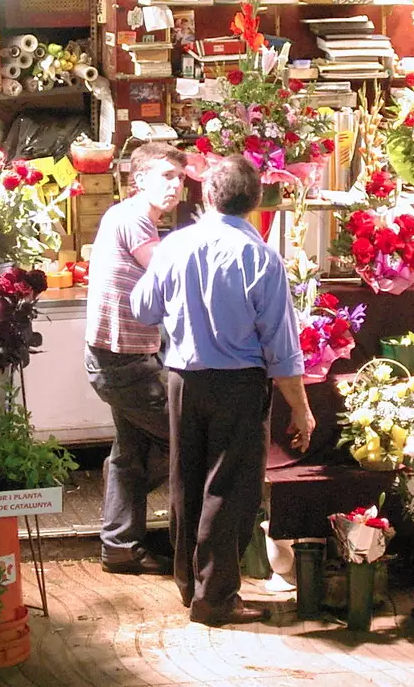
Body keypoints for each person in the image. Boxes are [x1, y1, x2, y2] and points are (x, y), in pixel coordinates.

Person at [130, 155, 315, 626]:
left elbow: (144, 308)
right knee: (228, 490)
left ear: (207, 196)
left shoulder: (174, 246)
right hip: (237, 385)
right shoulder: (262, 258)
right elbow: (281, 348)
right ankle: (215, 599)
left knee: (186, 480)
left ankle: (189, 584)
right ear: (255, 202)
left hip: (182, 381)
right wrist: (302, 410)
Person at [84, 142, 186, 576]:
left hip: (126, 358)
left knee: (129, 453)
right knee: (183, 440)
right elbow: (169, 272)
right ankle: (185, 547)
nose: (176, 186)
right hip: (122, 364)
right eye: (166, 177)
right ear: (139, 179)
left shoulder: (129, 218)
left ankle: (120, 546)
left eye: (180, 178)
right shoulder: (132, 218)